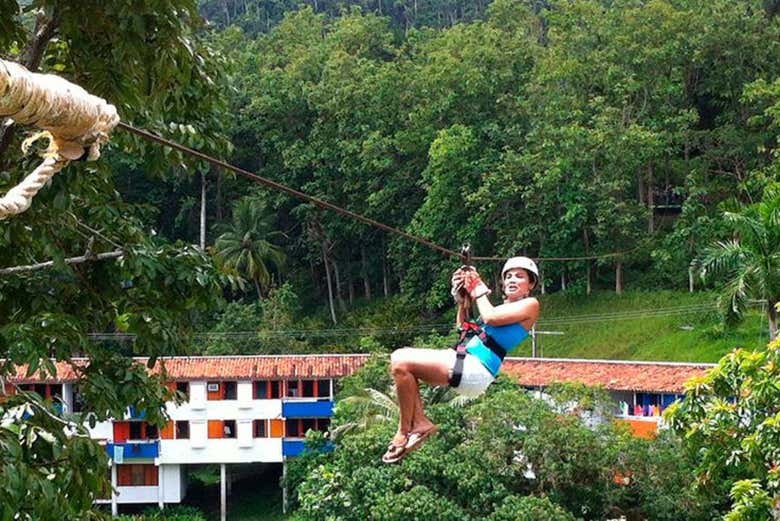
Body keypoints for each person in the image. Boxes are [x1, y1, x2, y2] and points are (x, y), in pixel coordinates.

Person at [381, 256, 540, 463]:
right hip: (468, 364)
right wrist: (462, 300)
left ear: (530, 285)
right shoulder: (500, 308)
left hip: (476, 368)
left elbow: (490, 316)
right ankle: (419, 422)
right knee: (402, 367)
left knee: (400, 359)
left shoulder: (530, 305)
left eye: (519, 277)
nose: (511, 280)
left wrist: (478, 287)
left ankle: (403, 431)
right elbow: (464, 328)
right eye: (508, 276)